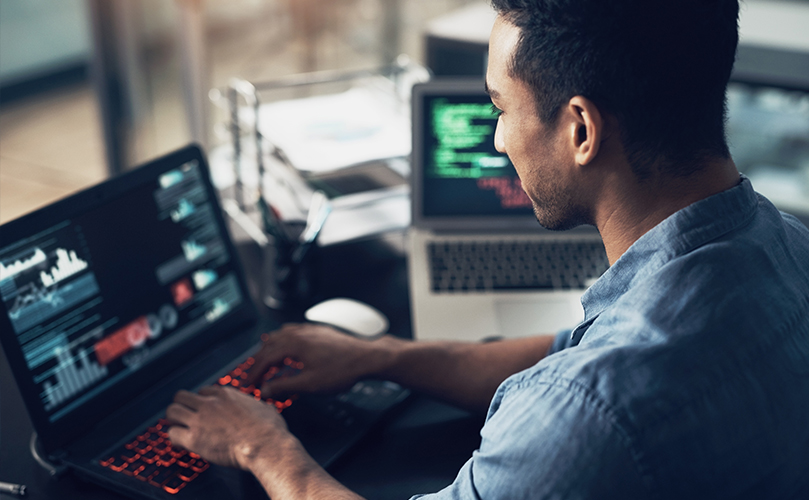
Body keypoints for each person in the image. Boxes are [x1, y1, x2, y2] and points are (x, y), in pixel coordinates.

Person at [165, 0, 809, 498]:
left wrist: (263, 449)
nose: (499, 139)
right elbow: (574, 349)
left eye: (501, 107)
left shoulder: (581, 415)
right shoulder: (786, 248)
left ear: (580, 130)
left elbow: (589, 389)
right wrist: (380, 357)